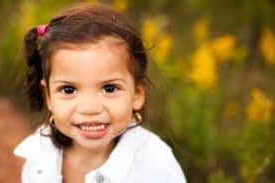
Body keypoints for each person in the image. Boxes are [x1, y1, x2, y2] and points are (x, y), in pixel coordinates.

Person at [14, 3, 186, 183]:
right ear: (49, 96)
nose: (89, 108)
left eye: (109, 88)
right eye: (68, 90)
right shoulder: (41, 154)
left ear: (137, 94)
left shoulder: (155, 165)